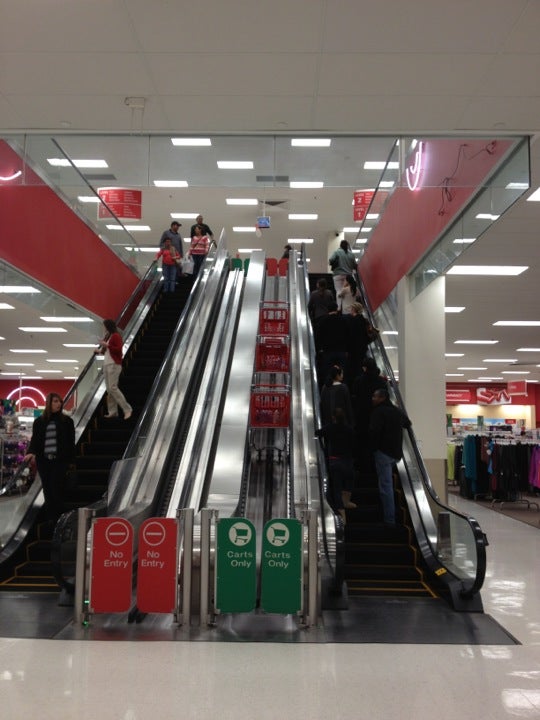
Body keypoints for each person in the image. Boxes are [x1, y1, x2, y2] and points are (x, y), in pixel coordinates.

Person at [23, 392, 75, 521]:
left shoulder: (67, 421)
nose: (59, 404)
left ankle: (58, 519)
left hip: (60, 461)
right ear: (48, 403)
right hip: (44, 461)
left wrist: (71, 461)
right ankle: (51, 519)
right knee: (47, 490)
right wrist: (30, 452)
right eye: (55, 401)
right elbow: (35, 440)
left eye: (59, 401)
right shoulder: (39, 422)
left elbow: (71, 442)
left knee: (56, 488)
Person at [368, 388, 411, 525]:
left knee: (386, 486)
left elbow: (374, 432)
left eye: (375, 396)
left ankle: (389, 519)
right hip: (396, 453)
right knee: (386, 484)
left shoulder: (378, 412)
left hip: (383, 452)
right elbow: (408, 423)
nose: (373, 399)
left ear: (382, 398)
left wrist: (372, 449)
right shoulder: (396, 411)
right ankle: (389, 515)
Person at [316, 408, 357, 524]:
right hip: (348, 460)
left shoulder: (330, 428)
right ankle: (346, 501)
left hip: (335, 461)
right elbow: (354, 444)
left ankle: (342, 513)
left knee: (337, 487)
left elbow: (318, 432)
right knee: (349, 480)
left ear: (333, 417)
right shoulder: (349, 429)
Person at [95, 319, 132, 420]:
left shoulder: (116, 336)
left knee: (113, 388)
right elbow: (106, 351)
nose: (103, 328)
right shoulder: (108, 336)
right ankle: (113, 411)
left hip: (114, 364)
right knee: (109, 389)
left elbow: (118, 349)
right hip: (107, 364)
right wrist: (99, 350)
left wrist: (107, 345)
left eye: (104, 326)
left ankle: (127, 409)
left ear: (108, 326)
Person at [314, 301, 350, 386]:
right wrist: (347, 350)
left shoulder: (322, 320)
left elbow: (318, 336)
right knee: (342, 372)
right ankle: (342, 389)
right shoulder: (344, 320)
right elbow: (348, 335)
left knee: (328, 372)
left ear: (327, 309)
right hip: (341, 350)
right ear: (337, 309)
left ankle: (329, 388)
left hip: (327, 351)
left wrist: (320, 349)